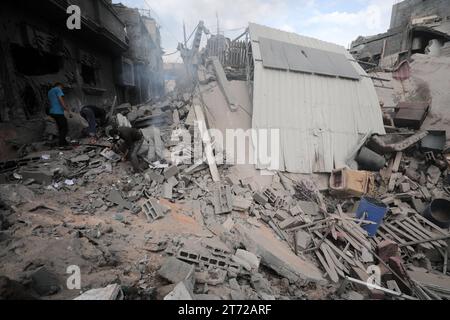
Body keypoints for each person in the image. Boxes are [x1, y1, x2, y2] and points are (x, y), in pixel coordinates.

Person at [47, 83, 71, 148]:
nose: (62, 89)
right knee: (64, 128)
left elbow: (49, 102)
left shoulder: (49, 91)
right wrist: (67, 109)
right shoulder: (58, 89)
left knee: (60, 128)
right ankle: (61, 143)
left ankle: (63, 142)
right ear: (59, 86)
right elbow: (61, 100)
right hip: (58, 112)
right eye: (62, 88)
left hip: (52, 112)